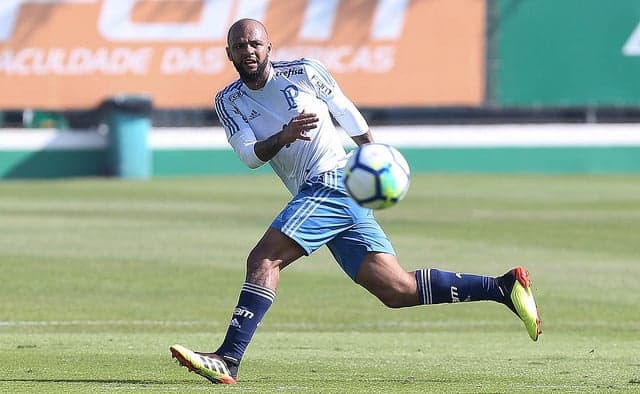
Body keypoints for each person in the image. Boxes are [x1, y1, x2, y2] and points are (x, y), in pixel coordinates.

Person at [170, 18, 542, 385]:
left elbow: (344, 109)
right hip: (321, 191)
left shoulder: (303, 72)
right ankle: (502, 287)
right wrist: (283, 137)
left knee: (264, 259)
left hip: (333, 179)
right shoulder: (228, 100)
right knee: (397, 290)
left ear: (269, 48)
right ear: (229, 54)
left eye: (254, 44)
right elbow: (249, 156)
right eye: (239, 46)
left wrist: (373, 153)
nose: (248, 51)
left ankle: (228, 358)